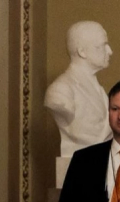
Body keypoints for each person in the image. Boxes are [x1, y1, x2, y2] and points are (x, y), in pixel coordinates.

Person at [45, 21, 113, 157]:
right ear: (82, 52)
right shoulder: (60, 90)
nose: (110, 51)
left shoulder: (99, 90)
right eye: (102, 45)